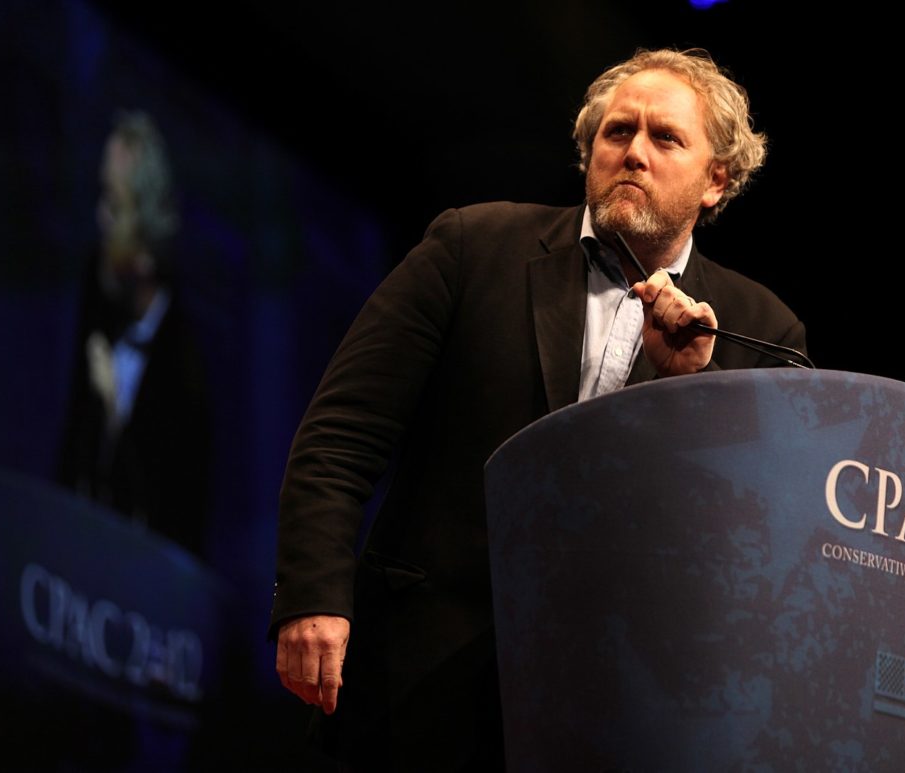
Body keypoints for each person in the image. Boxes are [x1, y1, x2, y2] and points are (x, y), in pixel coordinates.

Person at [270, 47, 807, 772]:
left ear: (716, 180)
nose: (634, 152)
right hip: (420, 680)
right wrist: (313, 595)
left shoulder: (763, 330)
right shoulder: (473, 246)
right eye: (618, 132)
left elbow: (762, 549)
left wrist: (692, 388)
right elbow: (341, 435)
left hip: (622, 715)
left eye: (665, 138)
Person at [56, 109, 213, 559]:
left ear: (146, 251)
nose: (100, 218)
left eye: (114, 205)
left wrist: (114, 415)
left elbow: (170, 531)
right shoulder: (97, 289)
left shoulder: (186, 369)